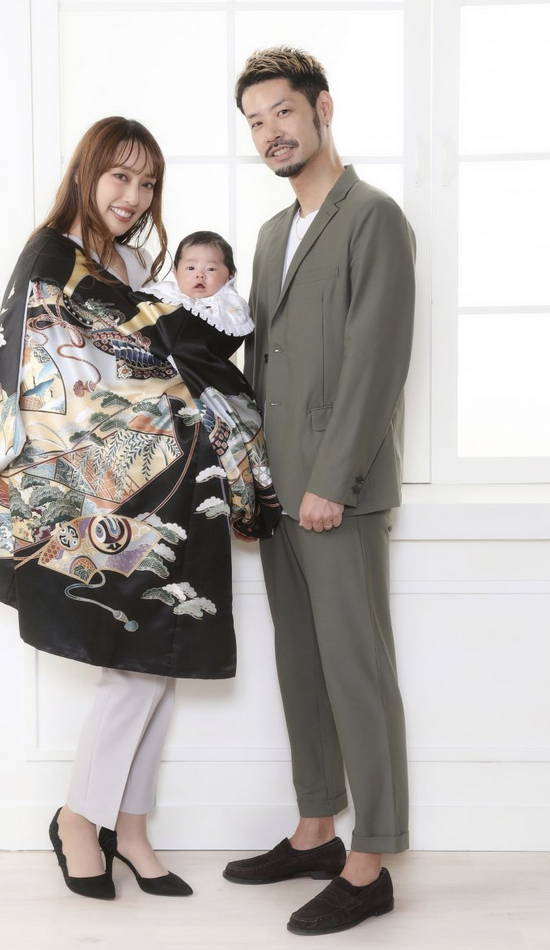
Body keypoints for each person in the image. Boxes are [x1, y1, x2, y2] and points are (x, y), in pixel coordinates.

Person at [0, 116, 280, 902]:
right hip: (99, 491)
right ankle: (80, 819)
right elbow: (32, 362)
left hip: (172, 489)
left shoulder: (134, 263)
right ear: (87, 173)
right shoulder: (52, 258)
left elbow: (171, 358)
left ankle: (129, 827)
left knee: (158, 658)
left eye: (147, 184)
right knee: (135, 666)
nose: (134, 197)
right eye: (120, 177)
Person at [222, 47, 416, 935]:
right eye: (255, 121)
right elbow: (261, 370)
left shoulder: (374, 218)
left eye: (282, 113)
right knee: (299, 663)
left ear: (322, 109)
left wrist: (332, 481)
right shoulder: (271, 236)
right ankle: (314, 833)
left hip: (340, 494)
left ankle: (370, 862)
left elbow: (378, 362)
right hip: (279, 494)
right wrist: (253, 489)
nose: (270, 132)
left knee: (356, 670)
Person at [143, 230, 252, 340]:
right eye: (191, 268)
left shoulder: (229, 304)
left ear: (230, 275)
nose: (200, 275)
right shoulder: (164, 293)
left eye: (211, 269)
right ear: (176, 271)